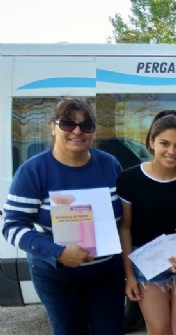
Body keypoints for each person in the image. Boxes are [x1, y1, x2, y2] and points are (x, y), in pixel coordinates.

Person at [2, 98, 125, 334]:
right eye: (68, 123)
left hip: (107, 275)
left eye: (86, 125)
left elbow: (125, 217)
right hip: (57, 277)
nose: (77, 131)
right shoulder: (32, 171)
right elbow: (13, 226)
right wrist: (58, 253)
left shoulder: (109, 165)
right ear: (53, 126)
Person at [117, 110, 176, 335]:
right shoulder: (129, 180)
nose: (171, 151)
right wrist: (129, 276)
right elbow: (125, 229)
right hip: (147, 261)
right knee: (158, 330)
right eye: (164, 143)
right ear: (151, 142)